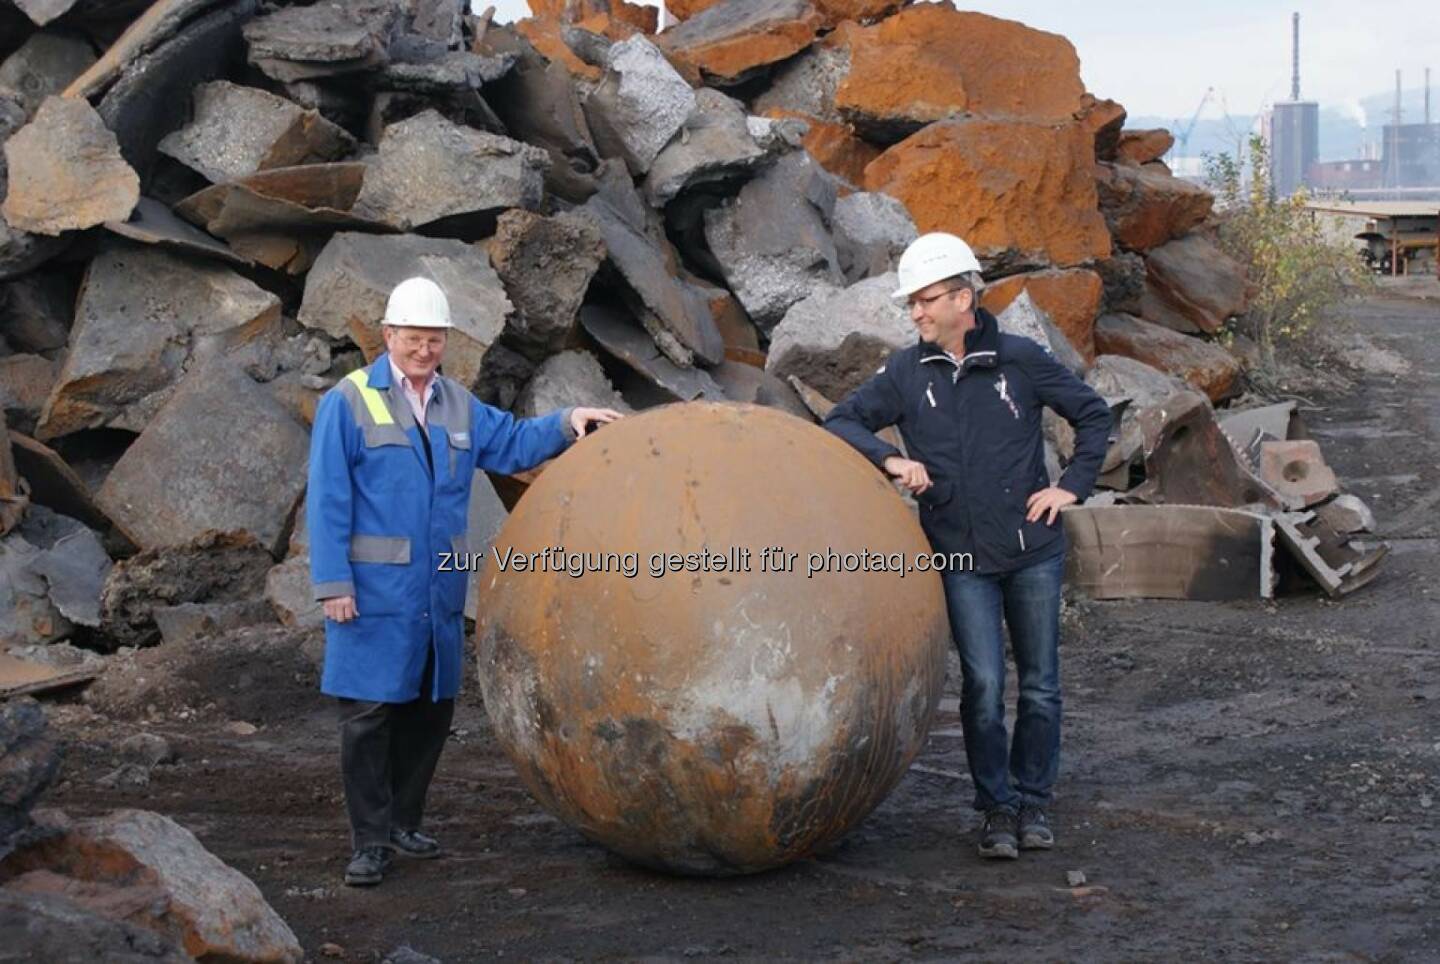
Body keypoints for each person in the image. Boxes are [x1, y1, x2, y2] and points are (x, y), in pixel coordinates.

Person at [307, 276, 622, 886]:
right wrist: (332, 584)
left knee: (429, 709)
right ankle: (370, 842)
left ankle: (404, 821)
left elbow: (510, 444)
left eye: (435, 340)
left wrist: (567, 421)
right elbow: (327, 499)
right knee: (370, 716)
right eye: (414, 339)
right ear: (389, 336)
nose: (424, 351)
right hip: (373, 592)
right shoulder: (347, 403)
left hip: (438, 589)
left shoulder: (456, 402)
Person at [823, 233, 1110, 860]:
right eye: (912, 305)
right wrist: (892, 459)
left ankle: (1034, 802)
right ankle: (996, 809)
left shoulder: (1019, 359)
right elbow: (840, 421)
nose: (916, 314)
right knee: (982, 685)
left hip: (1033, 550)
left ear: (963, 297)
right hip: (959, 559)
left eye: (925, 301)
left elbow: (1093, 415)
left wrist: (1071, 487)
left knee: (1039, 685)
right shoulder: (905, 372)